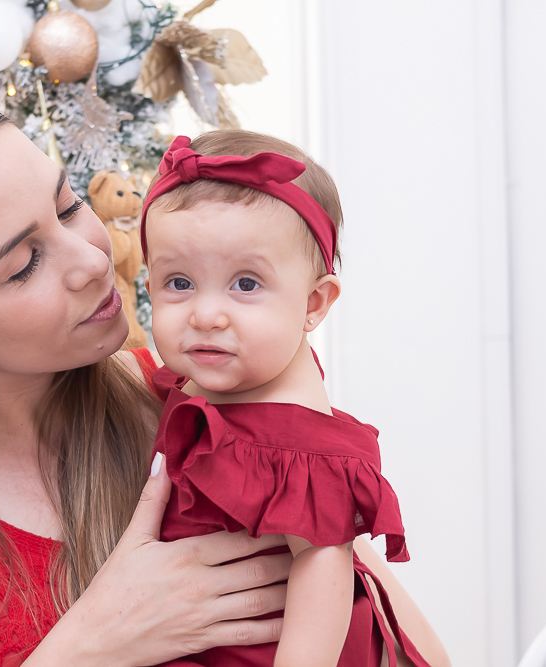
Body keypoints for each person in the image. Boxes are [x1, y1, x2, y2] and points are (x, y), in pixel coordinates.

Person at [0, 98, 449, 667]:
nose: (93, 259)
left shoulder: (205, 408)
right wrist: (88, 644)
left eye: (68, 205)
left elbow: (402, 636)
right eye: (24, 264)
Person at [140, 131, 433, 667]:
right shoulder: (223, 374)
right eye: (178, 281)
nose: (206, 315)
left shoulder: (292, 438)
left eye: (246, 284)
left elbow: (323, 574)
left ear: (313, 303)